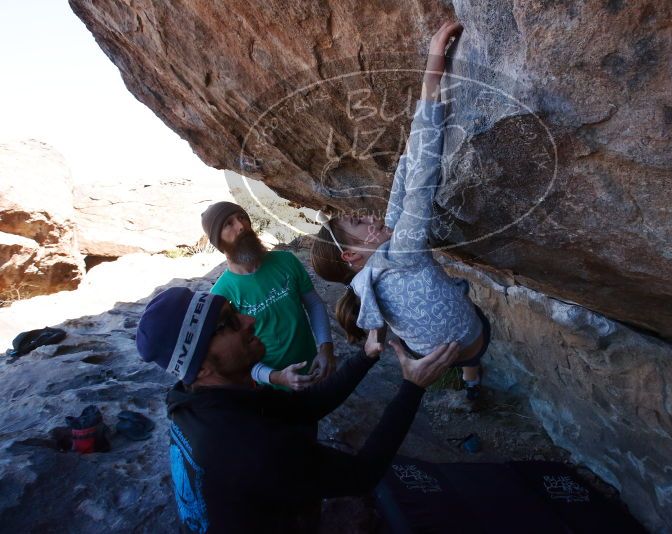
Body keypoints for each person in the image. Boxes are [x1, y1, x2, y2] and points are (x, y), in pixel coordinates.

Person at [135, 287, 459, 533]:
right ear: (202, 366)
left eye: (237, 311)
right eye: (230, 323)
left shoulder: (196, 398)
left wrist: (365, 356)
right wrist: (413, 387)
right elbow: (363, 474)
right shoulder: (247, 445)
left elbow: (306, 407)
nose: (250, 320)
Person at [310, 21, 491, 401]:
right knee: (467, 314)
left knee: (458, 328)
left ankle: (471, 384)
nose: (371, 217)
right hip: (474, 336)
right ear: (351, 254)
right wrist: (433, 67)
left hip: (438, 351)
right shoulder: (402, 253)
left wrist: (409, 146)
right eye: (358, 223)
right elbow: (422, 178)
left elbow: (405, 175)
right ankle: (472, 376)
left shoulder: (367, 278)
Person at [201, 201, 334, 391]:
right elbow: (235, 358)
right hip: (270, 387)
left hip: (313, 367)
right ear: (217, 241)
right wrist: (276, 377)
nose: (241, 226)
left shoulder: (285, 260)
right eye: (228, 224)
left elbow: (313, 303)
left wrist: (325, 347)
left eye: (242, 217)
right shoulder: (221, 295)